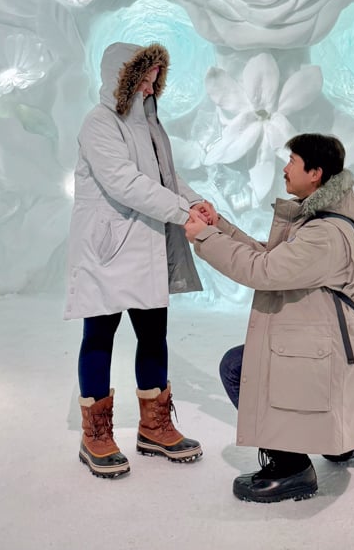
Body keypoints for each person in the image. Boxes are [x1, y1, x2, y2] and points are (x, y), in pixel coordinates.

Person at [185, 132, 354, 503]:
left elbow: (263, 271)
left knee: (238, 367)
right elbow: (272, 258)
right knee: (337, 444)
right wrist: (218, 227)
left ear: (315, 173)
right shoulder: (318, 223)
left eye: (292, 162)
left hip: (324, 357)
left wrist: (204, 239)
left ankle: (290, 467)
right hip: (322, 352)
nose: (285, 168)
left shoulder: (325, 235)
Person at [65, 42, 210, 478]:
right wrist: (182, 212)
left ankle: (154, 426)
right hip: (108, 248)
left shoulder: (148, 123)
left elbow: (165, 176)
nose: (150, 88)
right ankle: (95, 434)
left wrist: (197, 201)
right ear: (122, 77)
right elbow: (125, 182)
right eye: (143, 79)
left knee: (153, 333)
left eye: (154, 80)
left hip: (145, 243)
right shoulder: (99, 123)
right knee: (100, 334)